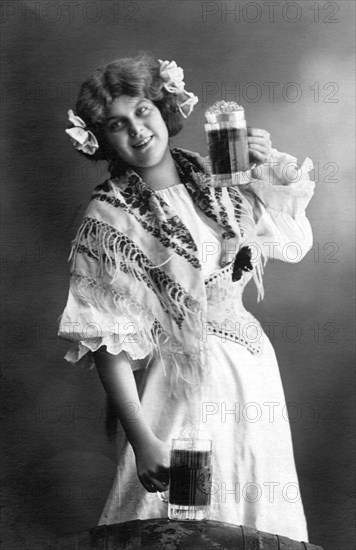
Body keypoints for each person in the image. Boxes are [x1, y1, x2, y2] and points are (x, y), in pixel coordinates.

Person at [58, 52, 315, 540]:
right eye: (117, 124)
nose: (136, 130)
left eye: (143, 111)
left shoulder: (214, 177)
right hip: (179, 385)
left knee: (253, 510)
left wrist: (270, 173)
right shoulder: (109, 217)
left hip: (251, 373)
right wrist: (143, 439)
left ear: (163, 108)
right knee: (181, 522)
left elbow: (294, 243)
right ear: (99, 139)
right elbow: (108, 343)